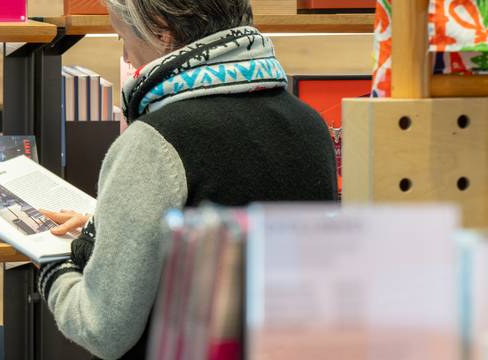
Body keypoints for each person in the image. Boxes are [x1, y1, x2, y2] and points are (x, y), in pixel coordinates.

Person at [36, 0, 338, 358]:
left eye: (122, 37)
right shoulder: (311, 125)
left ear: (162, 30)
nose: (127, 58)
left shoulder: (154, 141)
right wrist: (107, 226)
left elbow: (102, 329)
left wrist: (52, 263)